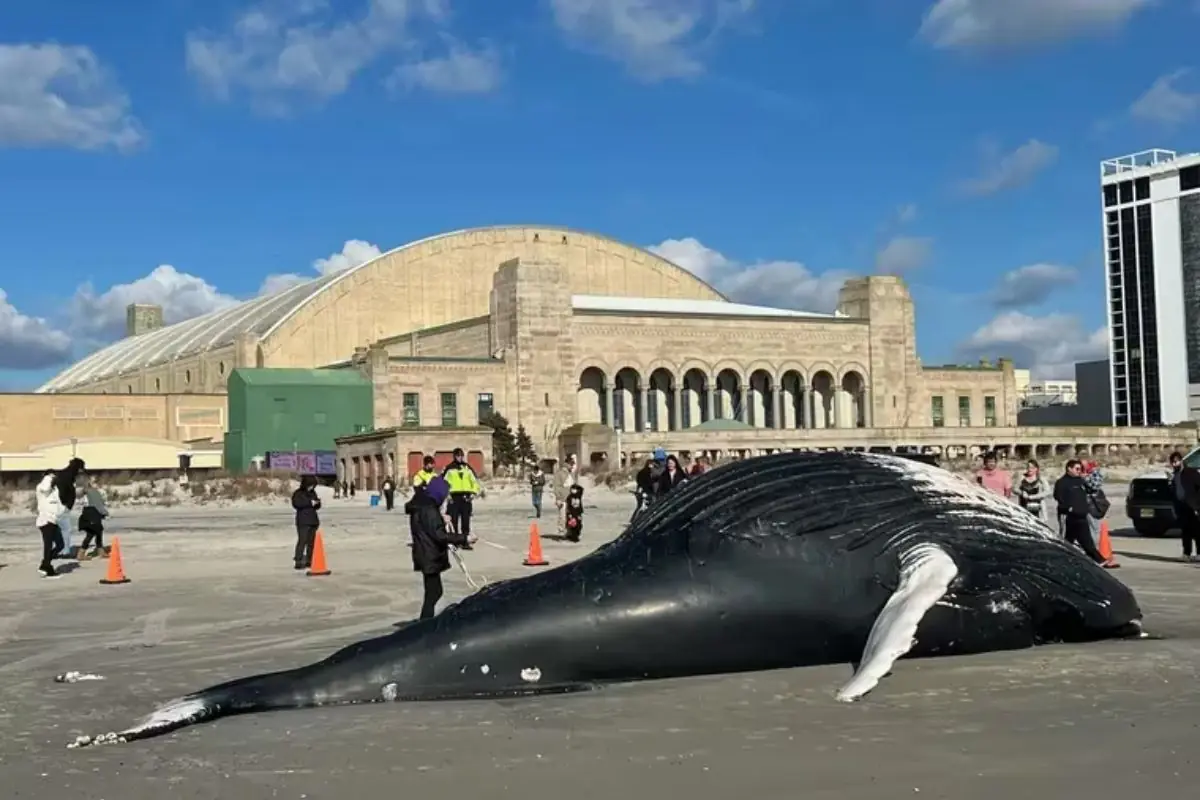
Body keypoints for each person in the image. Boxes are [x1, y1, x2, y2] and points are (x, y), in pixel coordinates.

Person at [405, 476, 473, 620]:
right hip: (429, 555)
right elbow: (439, 535)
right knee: (434, 592)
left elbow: (427, 525)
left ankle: (425, 621)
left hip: (425, 553)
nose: (447, 498)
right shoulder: (428, 509)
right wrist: (464, 538)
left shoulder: (424, 505)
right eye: (445, 494)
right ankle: (424, 623)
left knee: (434, 591)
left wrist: (441, 518)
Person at [34, 458, 86, 578]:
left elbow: (60, 502)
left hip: (53, 519)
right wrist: (50, 478)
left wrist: (64, 509)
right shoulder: (43, 488)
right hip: (45, 520)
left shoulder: (52, 491)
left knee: (60, 545)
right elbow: (45, 488)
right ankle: (45, 565)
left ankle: (46, 564)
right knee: (48, 545)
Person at [1053, 459, 1109, 566]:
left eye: (1080, 469)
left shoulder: (1081, 481)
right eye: (1077, 469)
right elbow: (1058, 497)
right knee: (1066, 539)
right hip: (1068, 516)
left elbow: (1094, 487)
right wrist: (1068, 508)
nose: (1079, 471)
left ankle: (1099, 560)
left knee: (1086, 540)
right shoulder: (1062, 482)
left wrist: (1091, 473)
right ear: (1069, 468)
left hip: (1082, 515)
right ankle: (1064, 561)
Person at [443, 448, 481, 546]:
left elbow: (474, 481)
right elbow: (444, 483)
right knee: (454, 520)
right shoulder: (449, 468)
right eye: (458, 456)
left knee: (466, 520)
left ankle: (465, 540)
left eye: (461, 456)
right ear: (454, 456)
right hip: (454, 497)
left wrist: (474, 493)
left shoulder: (467, 468)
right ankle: (455, 540)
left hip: (466, 496)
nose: (460, 458)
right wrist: (447, 495)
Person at [1169, 450, 1200, 561]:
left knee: (1197, 531)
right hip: (1181, 507)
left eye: (1176, 462)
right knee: (1186, 531)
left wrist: (1197, 504)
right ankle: (1186, 553)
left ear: (1181, 461)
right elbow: (1174, 491)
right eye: (1172, 462)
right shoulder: (1175, 476)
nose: (1174, 464)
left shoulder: (1191, 473)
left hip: (1193, 506)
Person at [290, 474, 322, 570]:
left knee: (311, 543)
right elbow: (296, 504)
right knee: (302, 541)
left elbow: (316, 507)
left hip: (313, 520)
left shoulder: (313, 493)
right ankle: (298, 561)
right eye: (311, 485)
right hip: (303, 521)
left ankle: (309, 560)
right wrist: (309, 503)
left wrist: (317, 503)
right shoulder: (298, 493)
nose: (312, 487)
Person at [77, 474, 110, 560]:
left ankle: (100, 551)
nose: (96, 484)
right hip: (92, 513)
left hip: (90, 513)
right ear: (90, 483)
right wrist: (105, 513)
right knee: (92, 533)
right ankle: (81, 554)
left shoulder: (91, 491)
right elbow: (98, 505)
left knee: (98, 531)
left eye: (96, 482)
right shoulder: (92, 491)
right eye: (94, 482)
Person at [1015, 459, 1051, 525]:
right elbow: (1015, 489)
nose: (1029, 469)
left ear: (1036, 469)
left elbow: (1048, 492)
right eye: (1028, 467)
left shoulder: (1041, 479)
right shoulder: (1022, 477)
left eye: (1032, 467)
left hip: (1037, 509)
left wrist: (1033, 497)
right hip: (1024, 508)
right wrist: (1022, 492)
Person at [554, 453, 579, 535]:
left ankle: (570, 531)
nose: (572, 466)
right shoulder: (560, 473)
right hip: (563, 499)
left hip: (571, 499)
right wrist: (558, 498)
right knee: (563, 516)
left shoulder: (571, 474)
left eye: (573, 464)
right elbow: (557, 486)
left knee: (571, 516)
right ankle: (562, 531)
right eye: (571, 464)